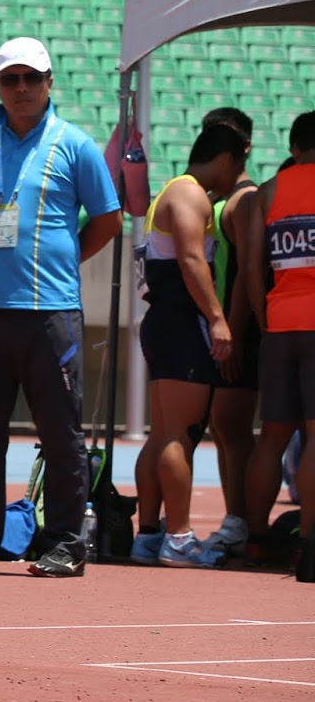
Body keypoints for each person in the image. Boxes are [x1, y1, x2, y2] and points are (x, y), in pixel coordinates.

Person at [0, 36, 121, 577]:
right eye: (10, 79)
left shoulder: (76, 145)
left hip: (51, 313)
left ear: (49, 83)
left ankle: (65, 542)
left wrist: (62, 263)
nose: (21, 89)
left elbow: (108, 220)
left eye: (31, 78)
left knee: (61, 434)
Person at [128, 125, 245, 568]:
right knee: (180, 435)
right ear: (225, 158)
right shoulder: (190, 195)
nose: (237, 175)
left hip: (164, 321)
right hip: (180, 323)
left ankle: (149, 535)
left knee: (161, 435)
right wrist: (217, 319)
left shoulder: (172, 192)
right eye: (237, 164)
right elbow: (192, 258)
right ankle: (178, 538)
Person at [240, 111, 315, 581]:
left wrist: (265, 323)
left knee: (271, 437)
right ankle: (309, 544)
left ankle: (253, 537)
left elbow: (251, 268)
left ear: (293, 148)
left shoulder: (268, 191)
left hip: (280, 321)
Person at [198, 109, 260, 556]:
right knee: (223, 429)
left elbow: (246, 273)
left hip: (240, 333)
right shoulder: (221, 198)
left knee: (233, 427)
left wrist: (234, 331)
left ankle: (242, 523)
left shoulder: (244, 200)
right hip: (224, 330)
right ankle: (238, 518)